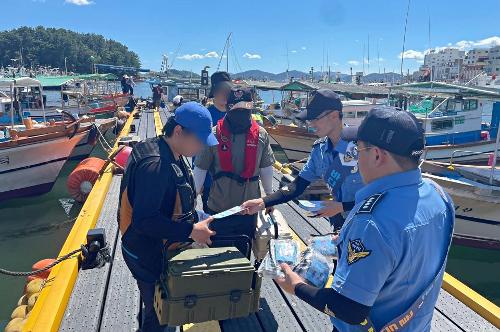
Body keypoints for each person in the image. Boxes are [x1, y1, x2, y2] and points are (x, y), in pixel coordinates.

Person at [273, 106, 455, 332]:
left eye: (358, 151)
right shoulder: (438, 194)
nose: (357, 160)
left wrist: (297, 286)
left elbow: (350, 310)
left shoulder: (371, 222)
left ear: (377, 155)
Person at [118, 102, 218, 332]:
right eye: (200, 140)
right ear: (180, 131)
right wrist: (191, 231)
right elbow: (144, 220)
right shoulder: (156, 166)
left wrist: (196, 216)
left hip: (155, 247)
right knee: (157, 314)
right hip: (144, 253)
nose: (202, 146)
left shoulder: (166, 149)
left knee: (154, 304)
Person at [242, 89, 363, 231]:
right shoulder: (320, 150)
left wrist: (343, 206)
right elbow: (297, 186)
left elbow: (384, 194)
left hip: (367, 225)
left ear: (334, 115)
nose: (310, 124)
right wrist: (262, 202)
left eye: (315, 119)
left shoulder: (362, 146)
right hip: (340, 226)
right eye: (309, 119)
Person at [193, 87, 275, 242]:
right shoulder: (214, 134)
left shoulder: (261, 135)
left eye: (246, 106)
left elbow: (266, 168)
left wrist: (269, 198)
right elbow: (200, 169)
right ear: (228, 108)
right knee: (217, 252)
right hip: (219, 208)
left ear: (251, 107)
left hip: (249, 210)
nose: (241, 110)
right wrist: (192, 199)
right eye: (236, 106)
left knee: (244, 247)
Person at [196, 71, 233, 211]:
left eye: (227, 91)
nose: (224, 94)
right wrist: (198, 183)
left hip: (233, 181)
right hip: (210, 181)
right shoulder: (205, 116)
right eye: (220, 90)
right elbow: (197, 150)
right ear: (214, 92)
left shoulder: (237, 115)